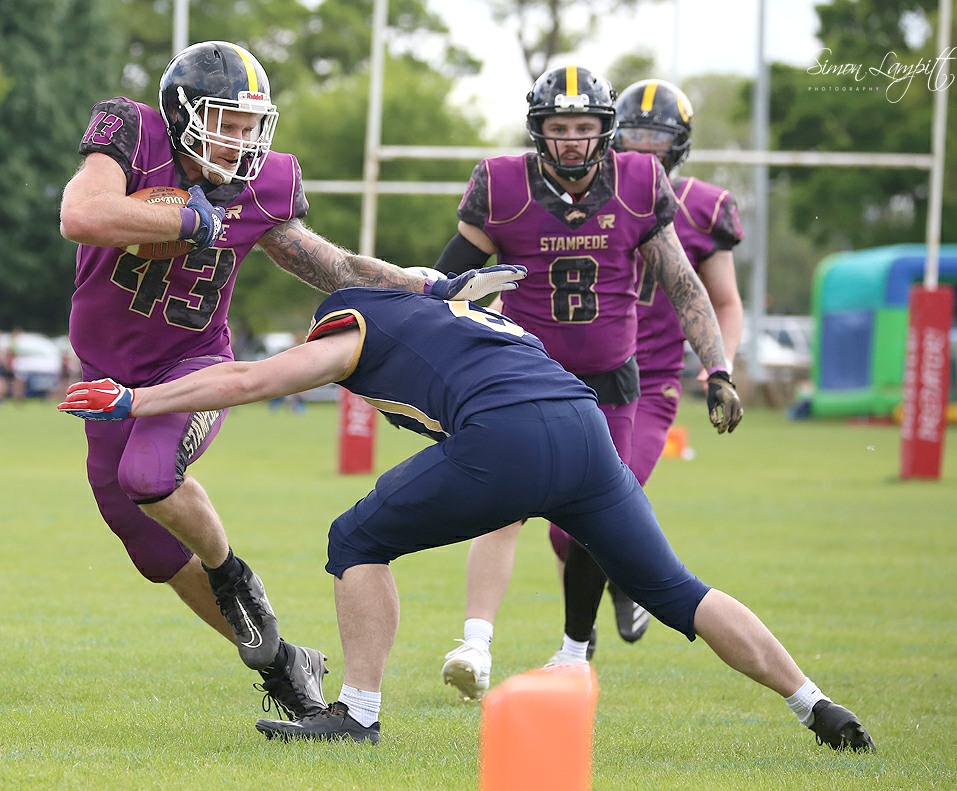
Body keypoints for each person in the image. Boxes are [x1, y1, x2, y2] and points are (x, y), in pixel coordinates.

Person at [57, 286, 876, 755]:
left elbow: (247, 380)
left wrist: (137, 400)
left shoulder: (351, 328)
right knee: (676, 589)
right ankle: (814, 704)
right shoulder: (459, 314)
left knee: (355, 539)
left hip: (505, 437)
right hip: (583, 430)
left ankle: (358, 713)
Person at [58, 40, 525, 721]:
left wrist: (424, 285)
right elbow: (81, 215)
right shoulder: (130, 130)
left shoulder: (264, 184)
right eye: (226, 122)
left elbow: (331, 266)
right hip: (103, 369)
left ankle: (232, 575)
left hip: (192, 363)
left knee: (148, 476)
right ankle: (282, 664)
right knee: (146, 545)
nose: (241, 140)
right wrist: (185, 219)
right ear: (182, 115)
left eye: (251, 126)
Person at [431, 65, 741, 699]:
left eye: (583, 127)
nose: (571, 140)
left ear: (604, 130)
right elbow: (446, 284)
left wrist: (718, 369)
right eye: (559, 127)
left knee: (590, 523)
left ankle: (575, 649)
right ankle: (475, 645)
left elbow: (685, 286)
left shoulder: (640, 183)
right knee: (501, 507)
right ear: (537, 130)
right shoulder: (501, 185)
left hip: (612, 382)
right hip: (526, 375)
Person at [555, 77, 748, 664]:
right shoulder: (581, 198)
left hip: (652, 378)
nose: (642, 148)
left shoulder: (704, 207)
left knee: (601, 501)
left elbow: (724, 301)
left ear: (679, 143)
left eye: (656, 137)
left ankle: (579, 638)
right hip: (579, 375)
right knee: (564, 529)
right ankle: (622, 579)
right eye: (634, 134)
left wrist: (720, 365)